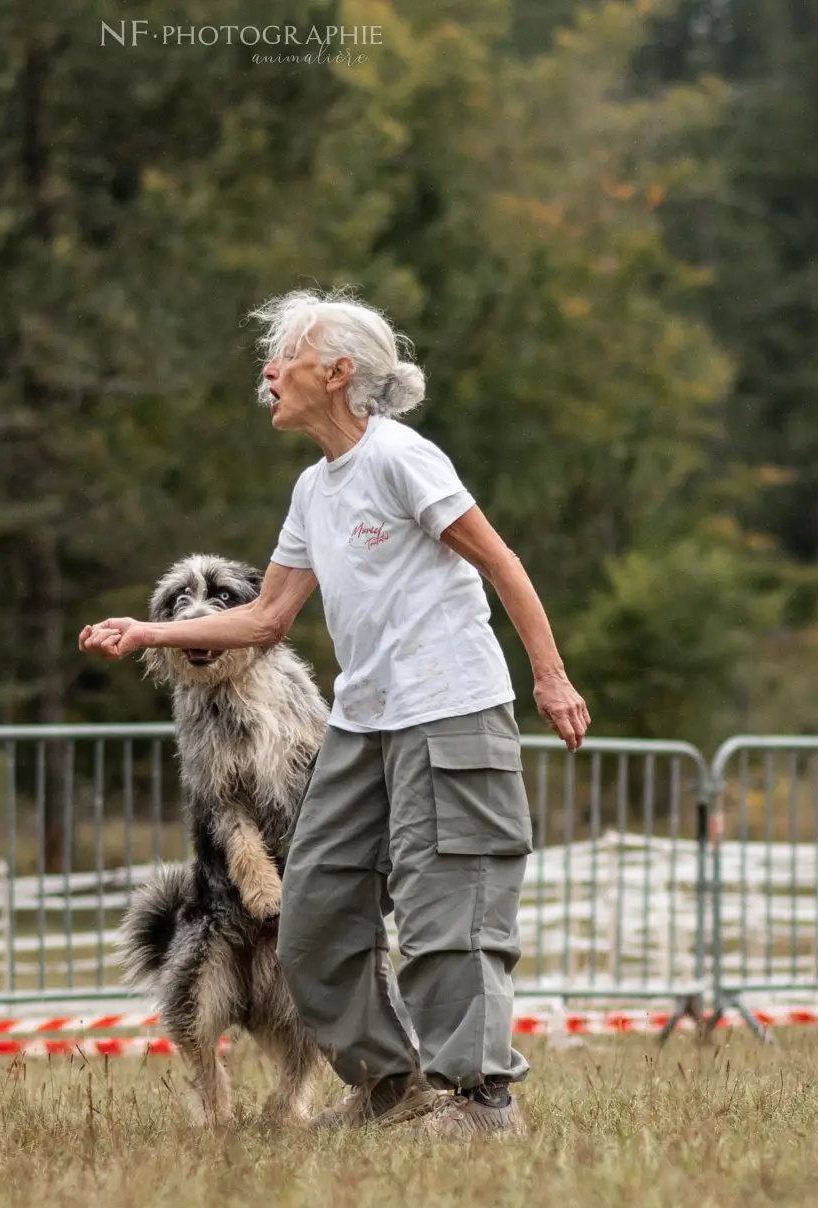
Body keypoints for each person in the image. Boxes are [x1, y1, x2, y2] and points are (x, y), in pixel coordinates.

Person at [79, 288, 589, 1136]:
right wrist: (148, 630)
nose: (269, 373)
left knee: (446, 912)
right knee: (310, 921)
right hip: (363, 720)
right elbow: (267, 619)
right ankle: (392, 1085)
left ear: (340, 371)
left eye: (285, 356)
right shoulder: (314, 490)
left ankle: (479, 1100)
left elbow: (501, 560)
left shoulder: (401, 458)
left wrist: (551, 673)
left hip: (449, 707)